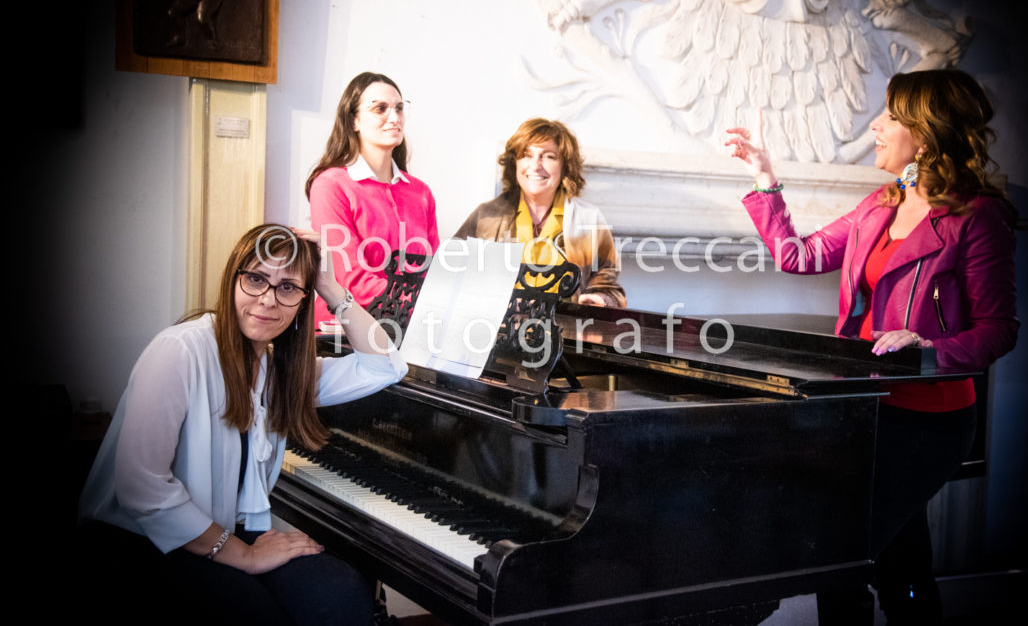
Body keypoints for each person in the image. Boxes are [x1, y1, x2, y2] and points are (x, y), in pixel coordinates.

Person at [727, 69, 1019, 624]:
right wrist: (766, 179)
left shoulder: (977, 218)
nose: (876, 126)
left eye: (889, 116)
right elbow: (799, 256)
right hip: (862, 410)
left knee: (843, 551)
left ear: (925, 133)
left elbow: (998, 329)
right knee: (899, 563)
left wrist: (927, 348)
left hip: (929, 420)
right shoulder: (879, 204)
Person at [78, 224, 408, 625]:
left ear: (302, 301)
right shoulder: (180, 351)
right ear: (233, 279)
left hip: (222, 530)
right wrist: (245, 555)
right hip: (142, 538)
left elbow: (387, 367)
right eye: (256, 279)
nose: (268, 300)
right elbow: (140, 486)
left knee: (340, 596)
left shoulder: (281, 370)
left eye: (288, 287)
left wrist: (329, 287)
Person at [306, 72, 440, 325]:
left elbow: (434, 272)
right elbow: (349, 279)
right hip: (345, 332)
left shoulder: (420, 192)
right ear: (354, 120)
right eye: (380, 108)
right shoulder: (331, 184)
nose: (394, 118)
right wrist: (424, 308)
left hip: (408, 328)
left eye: (399, 108)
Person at [455, 118, 625, 307]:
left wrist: (598, 299)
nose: (535, 166)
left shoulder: (589, 219)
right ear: (515, 163)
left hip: (562, 332)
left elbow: (607, 284)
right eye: (526, 155)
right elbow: (450, 272)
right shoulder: (486, 216)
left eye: (548, 156)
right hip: (500, 333)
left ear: (565, 165)